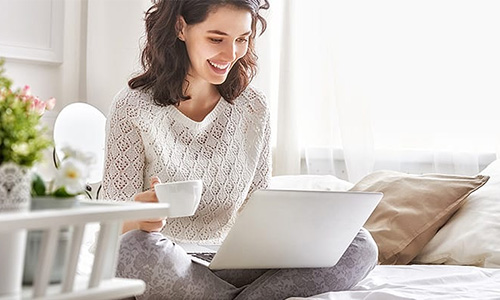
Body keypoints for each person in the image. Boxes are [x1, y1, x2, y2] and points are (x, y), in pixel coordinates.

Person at [101, 0, 378, 299]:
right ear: (181, 27)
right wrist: (140, 217)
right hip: (164, 257)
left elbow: (255, 210)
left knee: (359, 243)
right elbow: (112, 232)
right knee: (132, 250)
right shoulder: (132, 106)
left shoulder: (254, 108)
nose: (230, 54)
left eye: (242, 40)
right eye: (216, 39)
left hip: (232, 262)